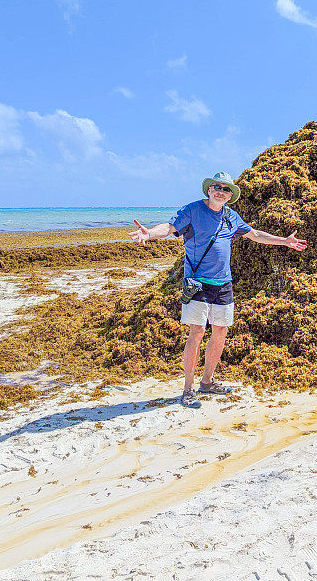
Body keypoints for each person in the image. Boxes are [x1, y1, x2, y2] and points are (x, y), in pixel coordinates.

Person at [129, 171, 307, 408]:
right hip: (197, 282)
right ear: (209, 189)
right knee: (197, 332)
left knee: (220, 332)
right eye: (217, 187)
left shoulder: (231, 216)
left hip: (224, 283)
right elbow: (170, 228)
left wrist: (283, 241)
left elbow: (254, 235)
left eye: (226, 189)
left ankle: (207, 382)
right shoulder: (192, 210)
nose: (221, 192)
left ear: (230, 195)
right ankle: (188, 388)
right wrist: (149, 233)